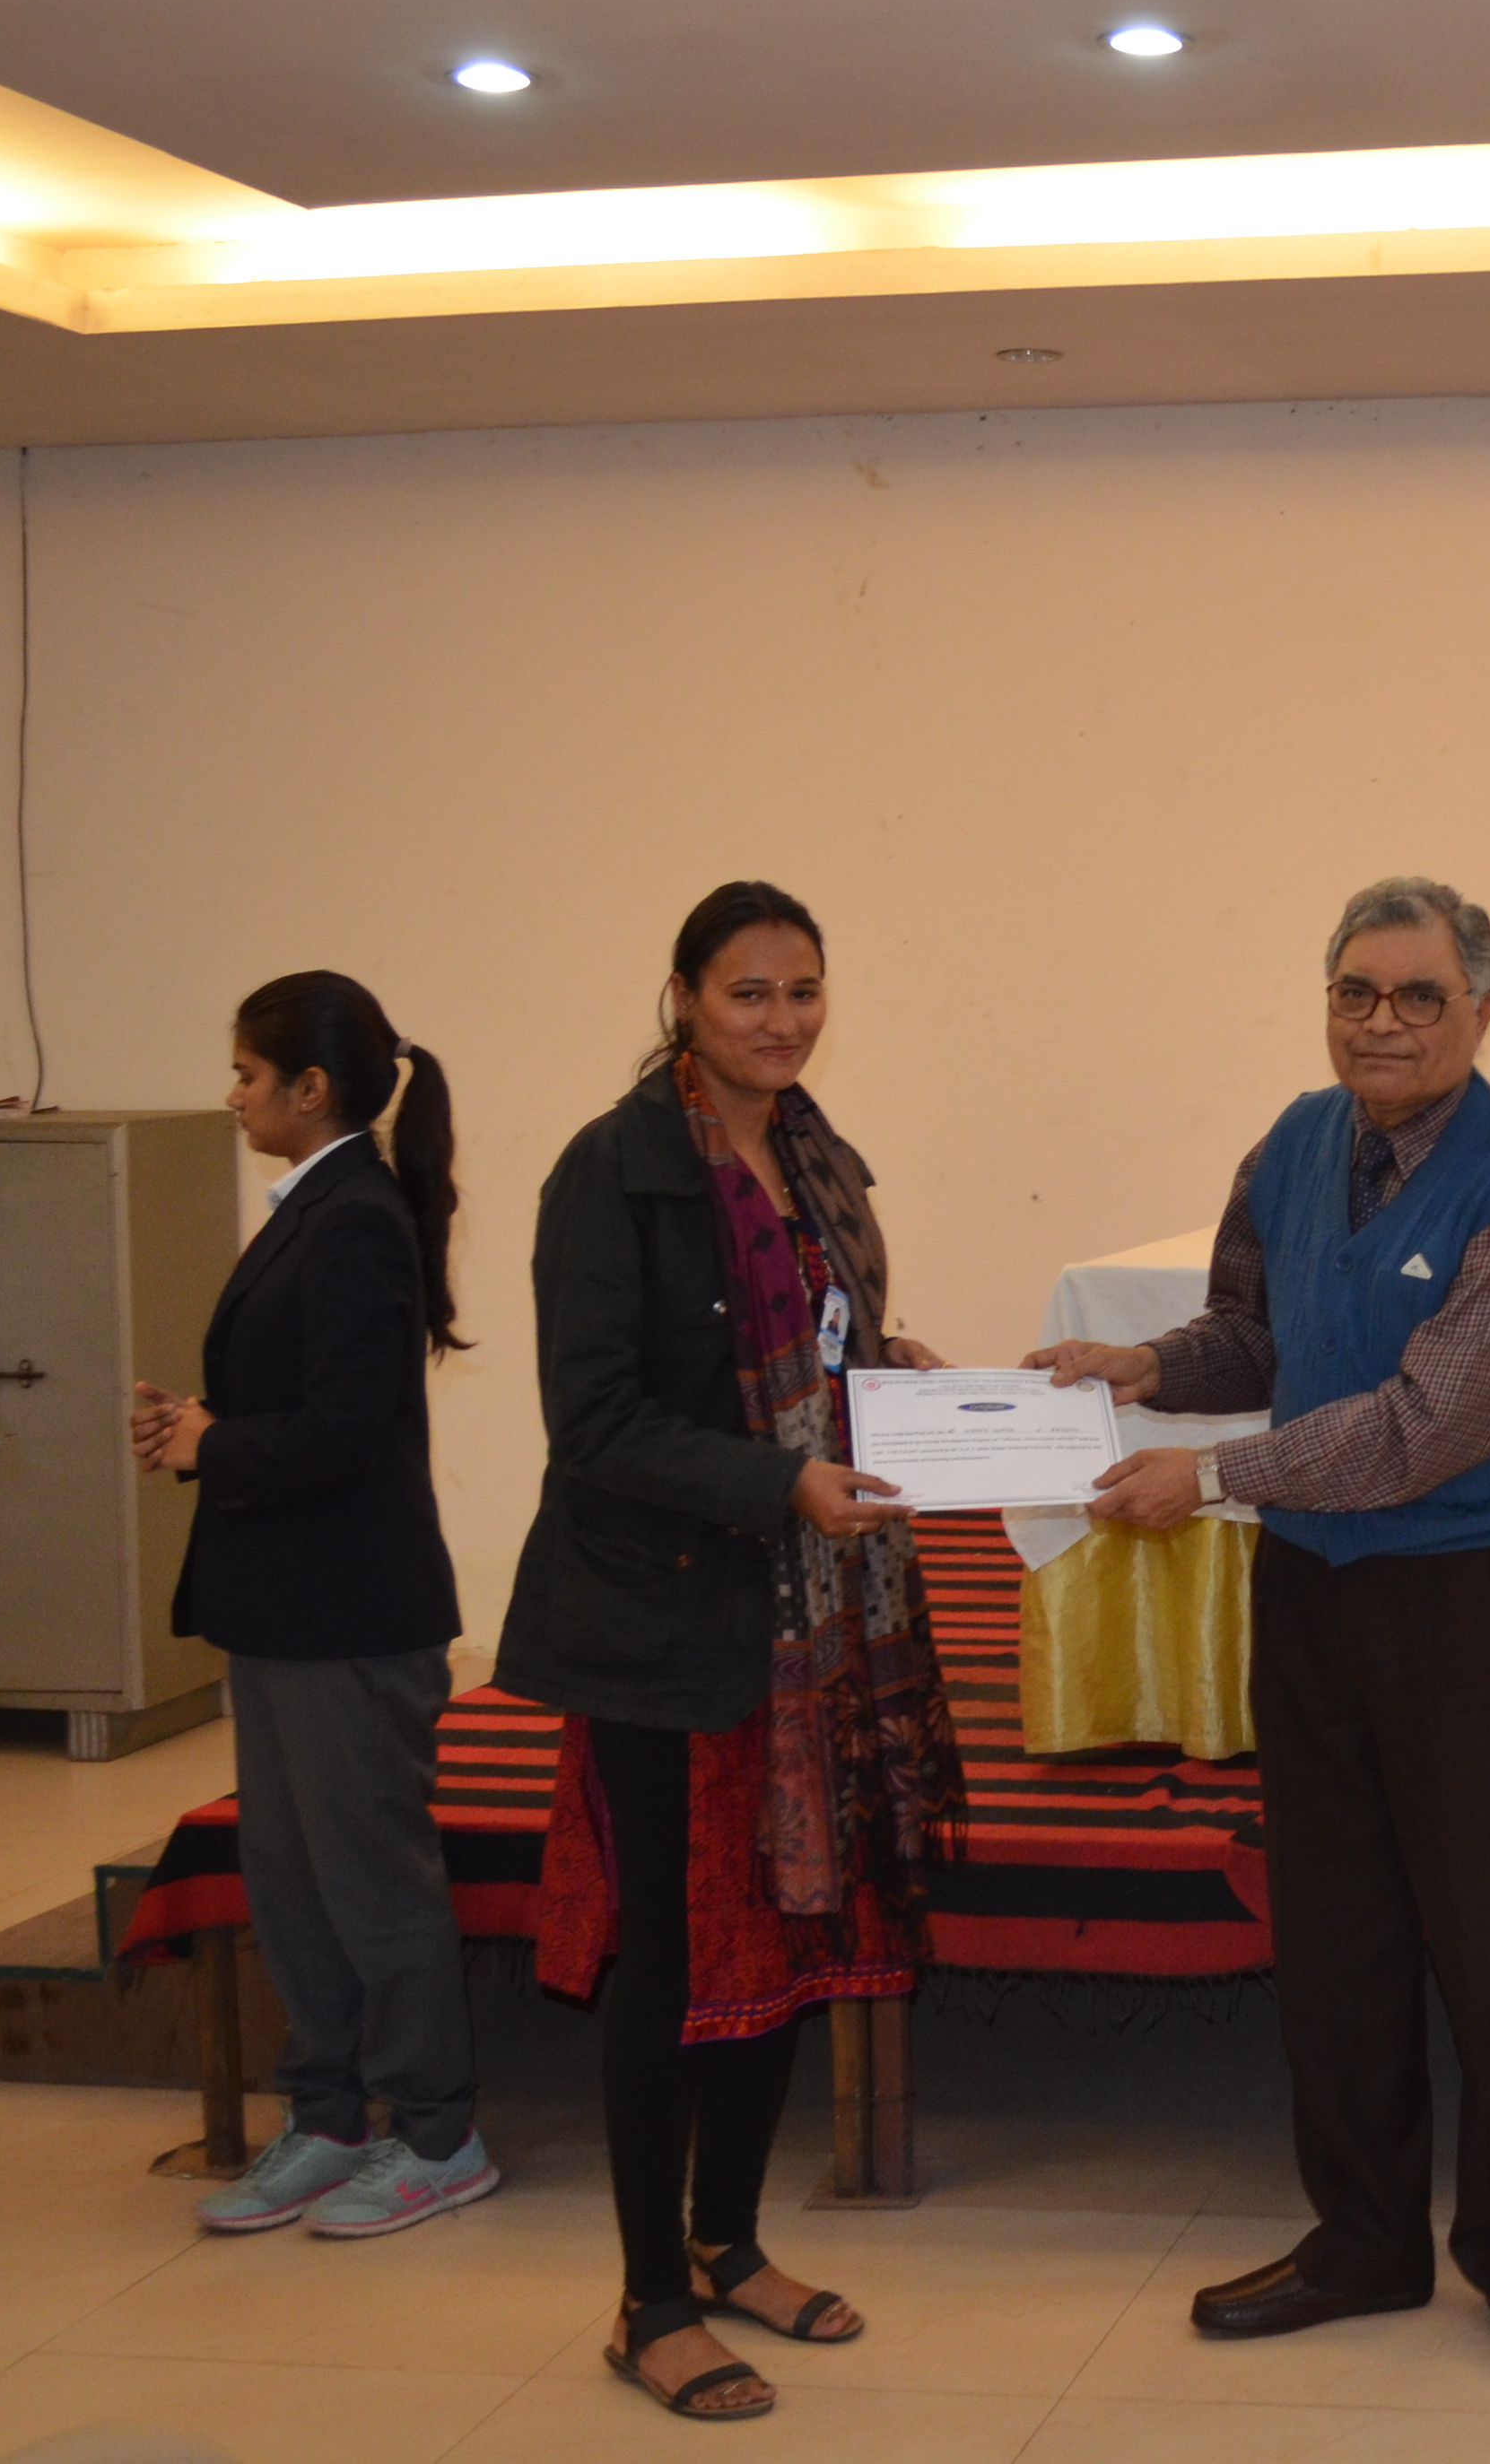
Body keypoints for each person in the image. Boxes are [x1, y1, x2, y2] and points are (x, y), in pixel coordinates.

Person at [1029, 875, 1490, 2381]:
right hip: (1312, 1584)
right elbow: (1258, 1331)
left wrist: (1214, 1474)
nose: (1382, 1022)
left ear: (1482, 1009)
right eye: (1356, 992)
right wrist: (1147, 1365)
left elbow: (1431, 1422)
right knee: (1337, 1927)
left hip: (1472, 1591)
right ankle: (1363, 2241)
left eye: (1420, 995)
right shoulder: (1294, 1142)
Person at [492, 883, 962, 2424]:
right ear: (686, 998)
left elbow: (808, 1355)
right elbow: (595, 1420)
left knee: (786, 1917)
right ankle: (649, 2303)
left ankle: (731, 2243)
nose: (782, 1020)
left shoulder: (813, 1156)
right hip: (661, 1620)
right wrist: (780, 1482)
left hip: (807, 1620)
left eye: (804, 991)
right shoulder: (612, 1170)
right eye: (749, 993)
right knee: (672, 1955)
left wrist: (891, 1375)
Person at [133, 971, 491, 2237]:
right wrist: (207, 1425)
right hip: (287, 1609)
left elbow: (346, 1429)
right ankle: (331, 2116)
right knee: (291, 1884)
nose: (234, 1096)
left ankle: (438, 2134)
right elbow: (308, 1400)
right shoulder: (320, 1207)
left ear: (311, 1087)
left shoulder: (354, 1219)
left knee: (371, 1885)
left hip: (350, 1615)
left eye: (247, 1074)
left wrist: (213, 1445)